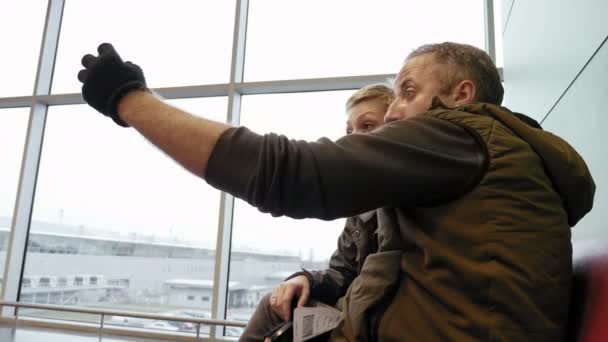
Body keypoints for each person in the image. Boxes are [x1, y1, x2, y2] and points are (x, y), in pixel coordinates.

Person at [77, 42, 595, 341]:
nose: (393, 114)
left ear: (462, 95)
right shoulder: (484, 158)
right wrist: (310, 280)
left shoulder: (460, 132)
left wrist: (131, 101)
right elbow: (358, 271)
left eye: (407, 93)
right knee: (276, 315)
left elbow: (291, 174)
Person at [240, 84, 395, 342]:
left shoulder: (403, 199)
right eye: (349, 129)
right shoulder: (361, 207)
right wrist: (307, 279)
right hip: (355, 310)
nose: (351, 138)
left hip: (373, 319)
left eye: (367, 126)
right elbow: (342, 272)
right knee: (276, 304)